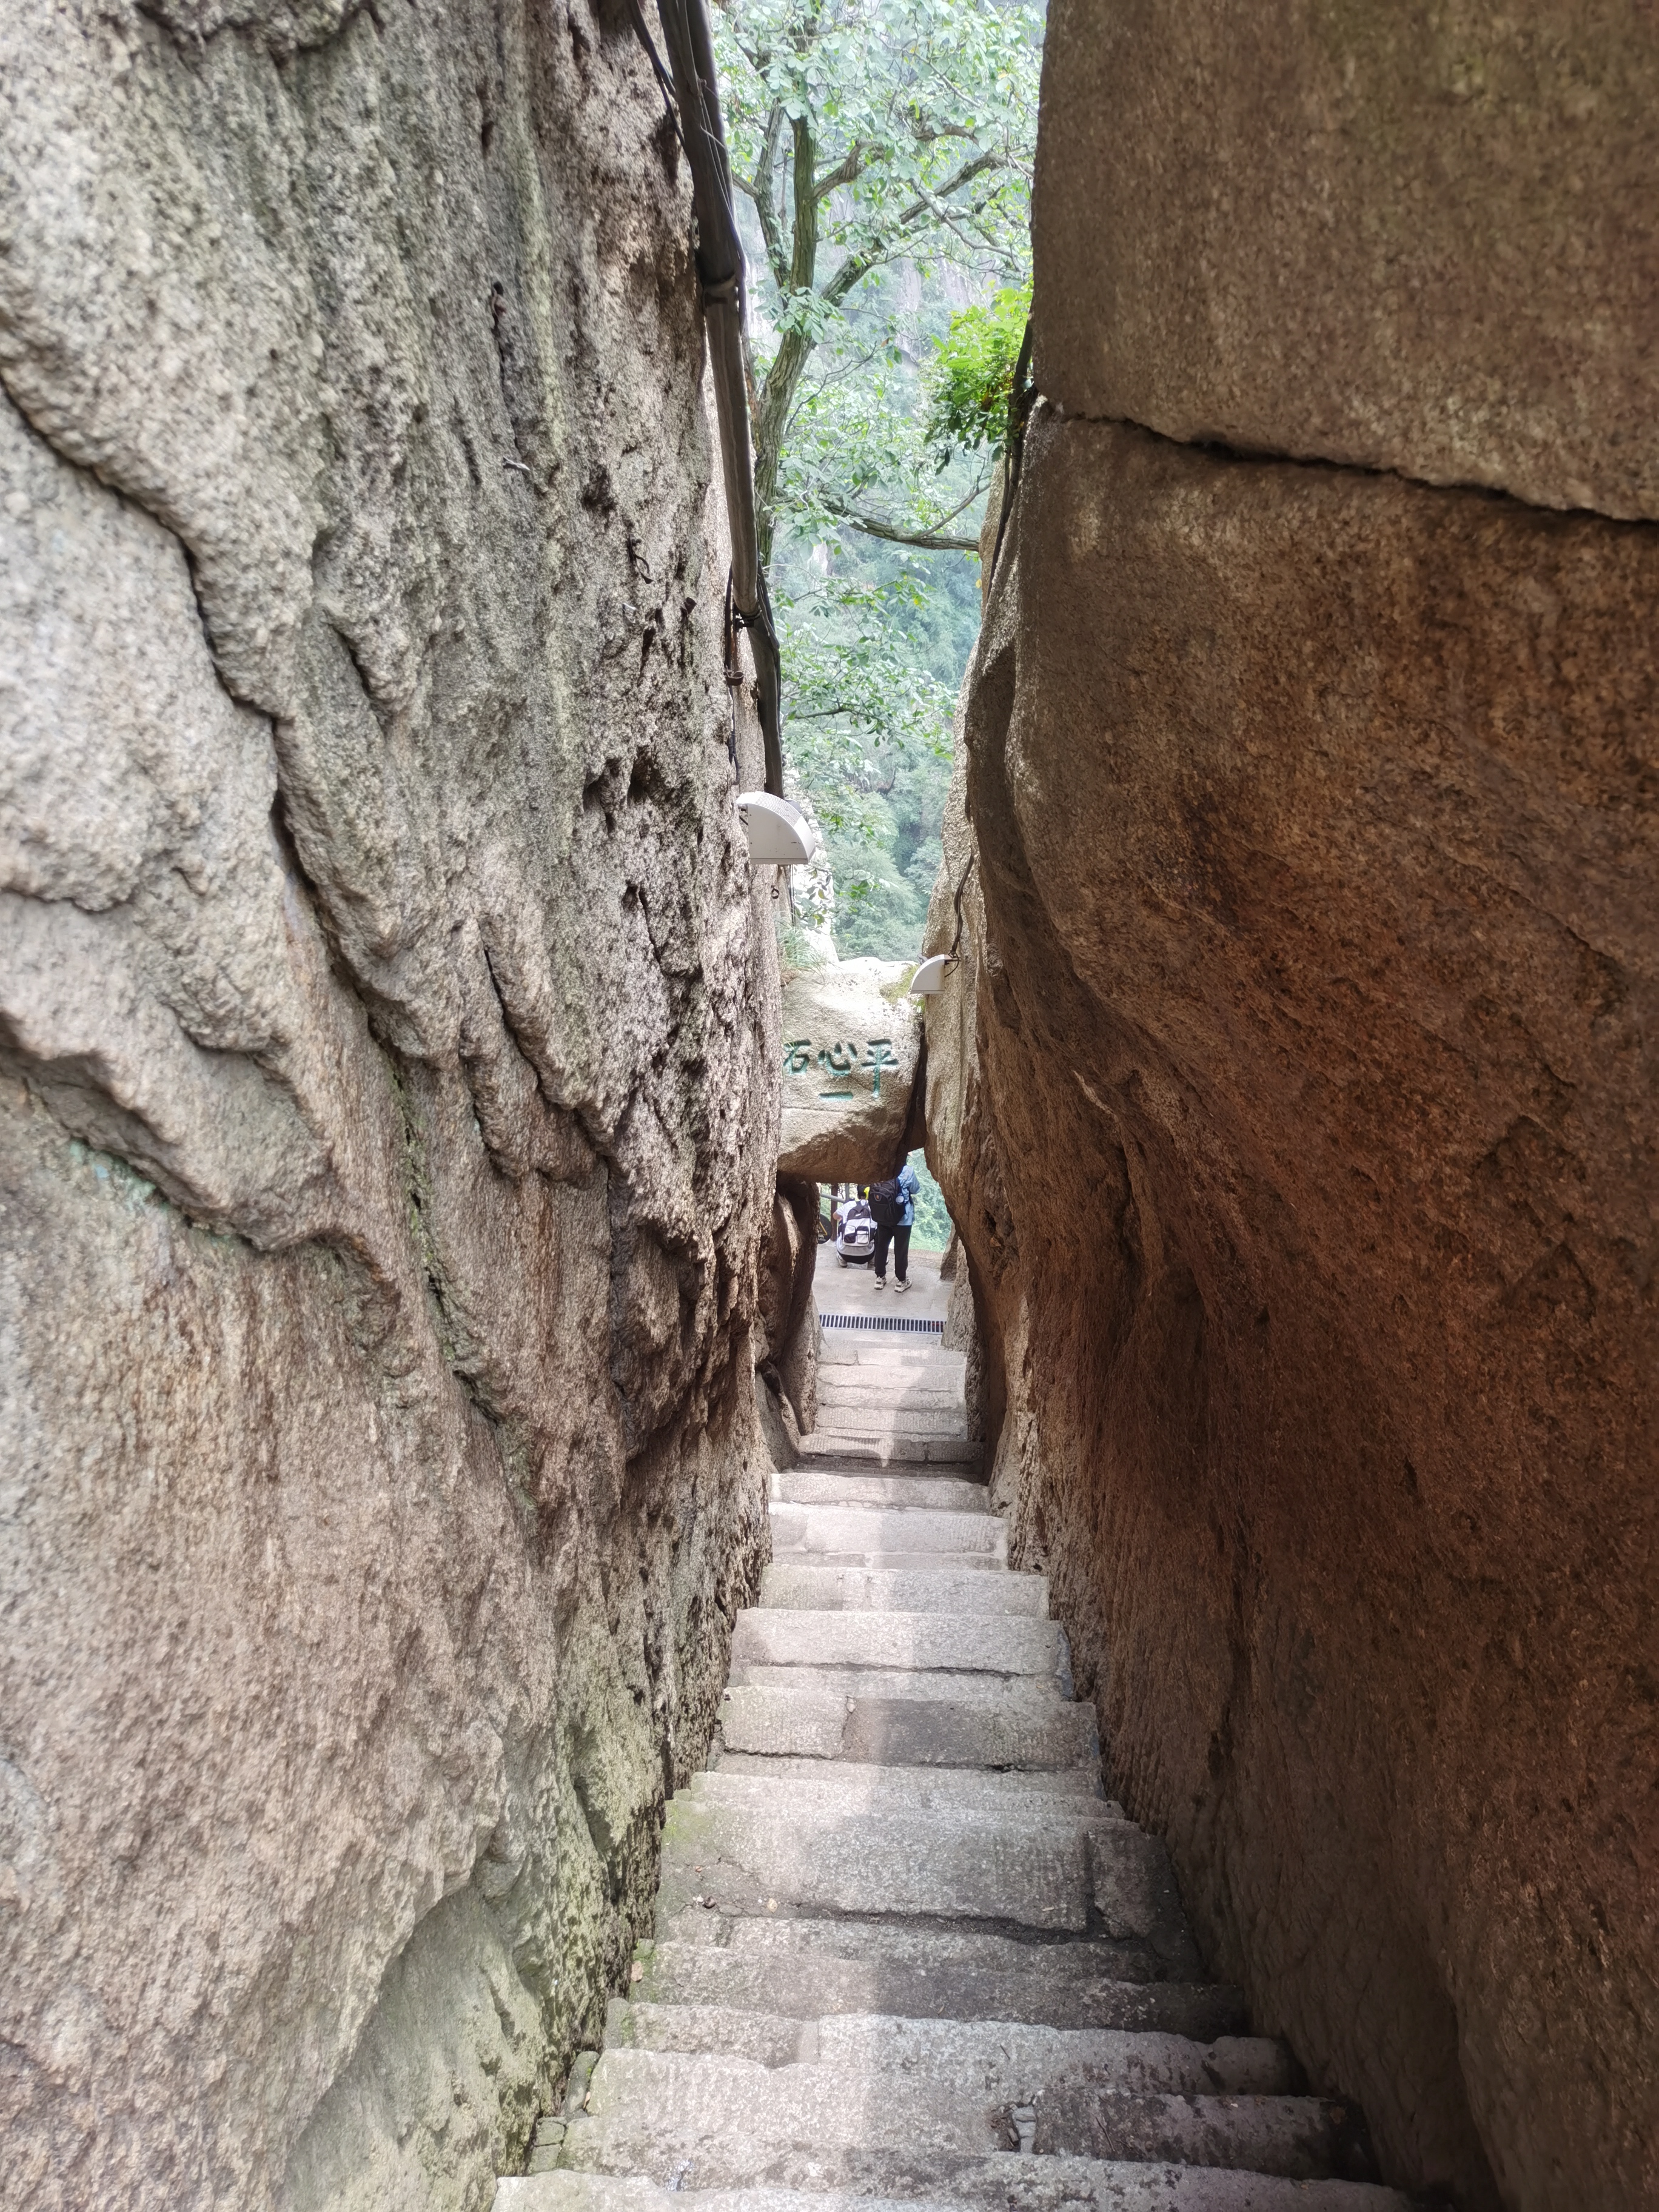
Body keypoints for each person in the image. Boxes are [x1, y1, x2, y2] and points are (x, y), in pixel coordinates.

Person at [872, 1159, 920, 1292]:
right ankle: (901, 1281)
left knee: (881, 1247)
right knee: (901, 1251)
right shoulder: (908, 1170)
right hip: (903, 1220)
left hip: (883, 1217)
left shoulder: (880, 1168)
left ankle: (880, 1278)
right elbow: (916, 1189)